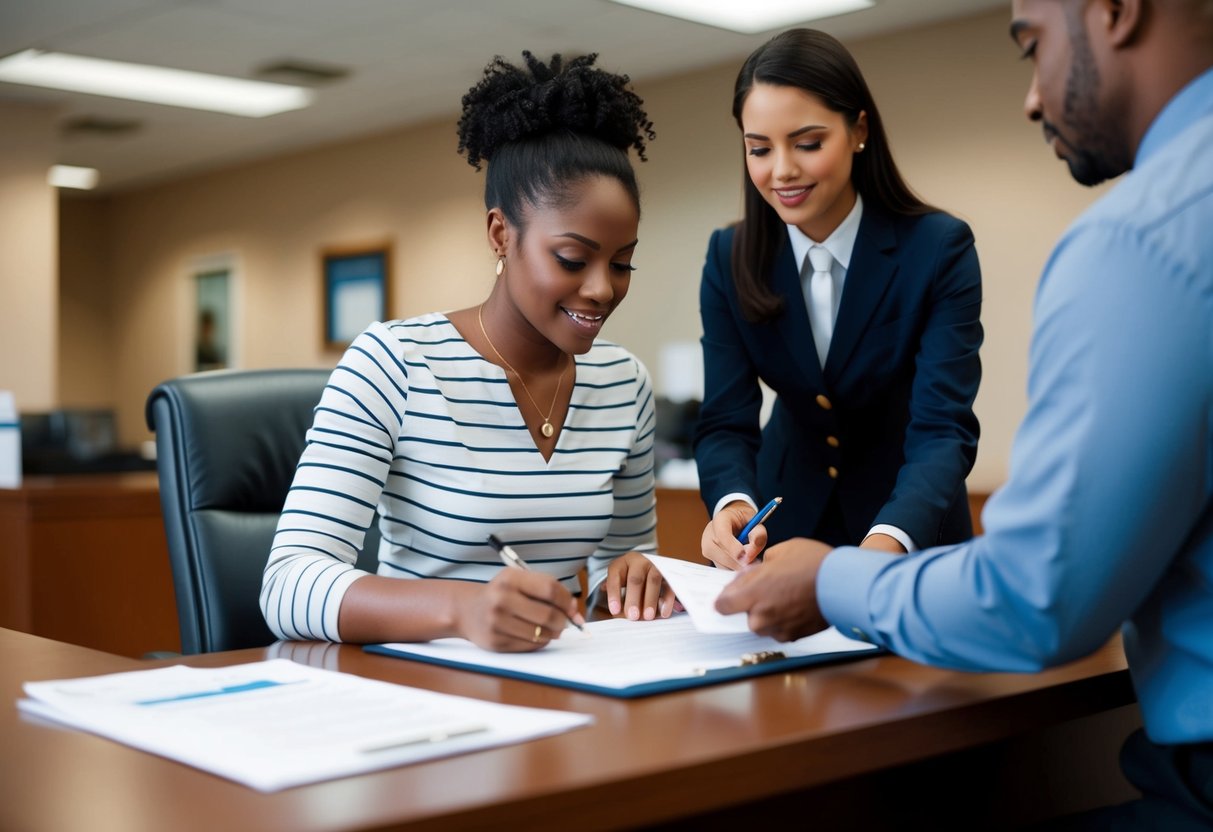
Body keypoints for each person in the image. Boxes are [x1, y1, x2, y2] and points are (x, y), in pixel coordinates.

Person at [717, 1, 1213, 827]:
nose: (1029, 97)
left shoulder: (1138, 240)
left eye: (1032, 46)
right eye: (759, 147)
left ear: (1116, 12)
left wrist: (836, 576)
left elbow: (1036, 597)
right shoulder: (729, 256)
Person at [260, 51, 676, 653]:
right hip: (419, 697)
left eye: (622, 262)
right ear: (500, 234)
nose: (602, 288)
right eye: (571, 259)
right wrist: (464, 610)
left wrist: (632, 580)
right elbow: (288, 584)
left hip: (563, 688)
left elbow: (620, 570)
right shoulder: (395, 363)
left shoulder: (623, 382)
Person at [693, 28, 983, 569]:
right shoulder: (729, 257)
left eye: (807, 143)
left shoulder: (939, 248)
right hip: (782, 528)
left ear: (858, 131)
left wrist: (883, 547)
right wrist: (733, 505)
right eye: (759, 148)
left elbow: (943, 428)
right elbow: (725, 421)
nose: (781, 170)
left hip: (909, 529)